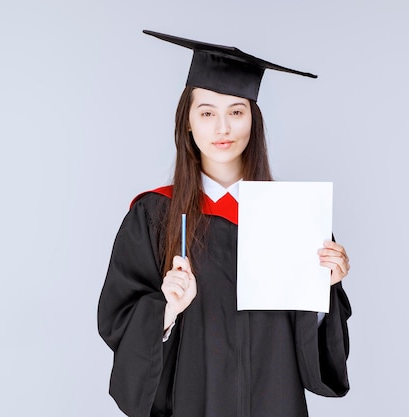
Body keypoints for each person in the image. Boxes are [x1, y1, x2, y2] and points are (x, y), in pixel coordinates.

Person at [98, 30, 352, 417]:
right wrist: (166, 309)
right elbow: (118, 320)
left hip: (274, 401)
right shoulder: (154, 214)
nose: (222, 128)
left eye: (236, 111)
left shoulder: (295, 215)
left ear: (253, 121)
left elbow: (314, 345)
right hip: (194, 402)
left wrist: (325, 290)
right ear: (187, 122)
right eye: (207, 113)